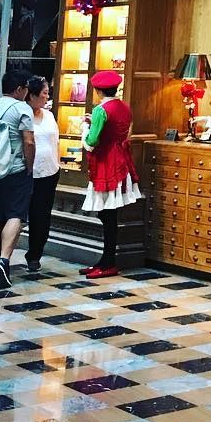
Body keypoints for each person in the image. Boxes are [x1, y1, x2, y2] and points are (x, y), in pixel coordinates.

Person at [81, 69, 142, 279]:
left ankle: (108, 262)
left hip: (106, 163)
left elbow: (92, 142)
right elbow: (119, 130)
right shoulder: (124, 107)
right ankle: (105, 260)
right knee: (109, 213)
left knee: (107, 214)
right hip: (121, 161)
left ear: (98, 90)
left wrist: (85, 129)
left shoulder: (100, 110)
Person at [0, 68, 35, 288]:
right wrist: (29, 167)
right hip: (15, 170)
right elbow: (28, 141)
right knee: (16, 214)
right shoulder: (23, 108)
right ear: (20, 89)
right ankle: (3, 261)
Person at [25, 75, 59, 274]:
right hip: (26, 173)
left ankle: (34, 256)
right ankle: (0, 256)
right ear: (32, 95)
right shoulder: (22, 114)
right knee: (16, 216)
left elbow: (55, 141)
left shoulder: (49, 115)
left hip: (48, 173)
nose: (47, 97)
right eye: (44, 93)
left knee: (42, 217)